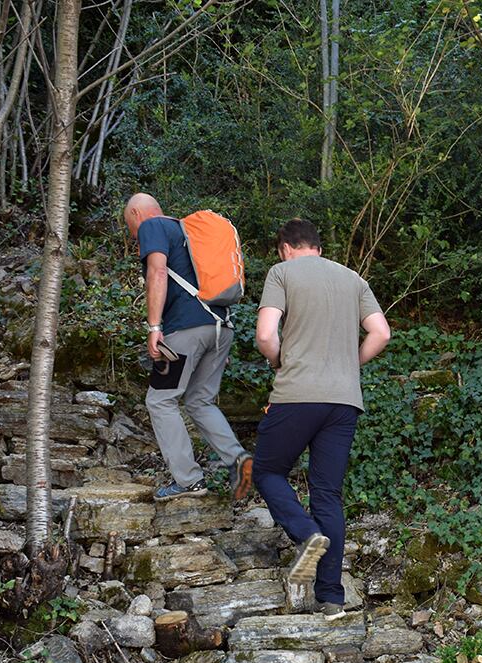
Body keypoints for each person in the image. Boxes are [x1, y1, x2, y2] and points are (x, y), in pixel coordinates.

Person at [253, 218, 391, 618]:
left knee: (267, 472)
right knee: (328, 492)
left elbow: (265, 335)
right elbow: (380, 333)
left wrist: (279, 361)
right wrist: (351, 365)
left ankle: (306, 532)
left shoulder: (282, 273)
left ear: (285, 248)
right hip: (344, 400)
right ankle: (331, 598)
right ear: (317, 245)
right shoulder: (353, 279)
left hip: (297, 394)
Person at [123, 193, 253, 501]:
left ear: (137, 215)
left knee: (160, 401)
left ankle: (188, 480)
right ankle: (236, 457)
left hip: (185, 331)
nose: (135, 239)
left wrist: (155, 326)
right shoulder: (187, 233)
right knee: (199, 401)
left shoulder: (152, 226)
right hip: (220, 328)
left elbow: (157, 272)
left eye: (131, 229)